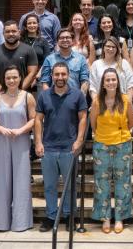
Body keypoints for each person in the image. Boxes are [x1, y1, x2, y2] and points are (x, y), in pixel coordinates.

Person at [35, 62, 88, 232]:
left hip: (69, 148)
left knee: (70, 185)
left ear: (69, 75)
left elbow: (83, 119)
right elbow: (37, 120)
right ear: (51, 76)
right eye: (56, 74)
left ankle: (68, 215)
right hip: (49, 147)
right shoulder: (44, 96)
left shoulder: (78, 95)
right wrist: (38, 142)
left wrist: (79, 140)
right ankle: (51, 216)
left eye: (63, 74)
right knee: (49, 185)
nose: (60, 78)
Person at [0, 67, 36, 232]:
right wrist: (0, 129)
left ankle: (21, 222)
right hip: (2, 140)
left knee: (21, 180)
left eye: (15, 77)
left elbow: (34, 119)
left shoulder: (27, 97)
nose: (11, 80)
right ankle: (1, 221)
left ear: (20, 78)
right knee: (2, 180)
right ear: (4, 79)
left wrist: (21, 130)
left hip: (21, 141)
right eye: (8, 78)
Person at [90, 69, 133, 233]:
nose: (111, 83)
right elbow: (93, 123)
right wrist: (102, 136)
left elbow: (131, 122)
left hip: (122, 145)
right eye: (107, 80)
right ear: (103, 83)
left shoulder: (125, 100)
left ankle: (119, 218)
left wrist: (120, 134)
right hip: (101, 145)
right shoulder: (96, 101)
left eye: (113, 80)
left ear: (118, 82)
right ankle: (105, 217)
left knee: (122, 182)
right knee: (102, 184)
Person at [0, 20, 39, 95]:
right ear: (3, 33)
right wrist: (4, 92)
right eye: (7, 32)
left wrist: (19, 91)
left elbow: (32, 73)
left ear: (19, 32)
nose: (11, 34)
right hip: (0, 96)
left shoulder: (29, 50)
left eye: (14, 31)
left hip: (23, 95)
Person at [39, 29, 90, 94]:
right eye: (62, 38)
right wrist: (49, 99)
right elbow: (45, 82)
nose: (65, 40)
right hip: (54, 99)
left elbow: (85, 81)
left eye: (68, 37)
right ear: (57, 41)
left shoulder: (81, 59)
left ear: (73, 40)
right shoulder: (49, 59)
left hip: (74, 99)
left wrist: (79, 99)